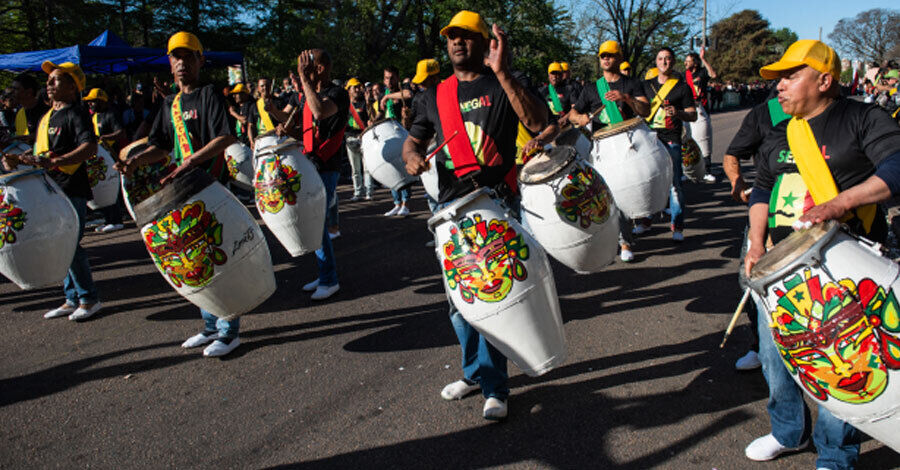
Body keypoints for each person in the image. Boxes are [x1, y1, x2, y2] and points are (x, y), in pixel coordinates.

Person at [742, 39, 900, 469]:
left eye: (791, 76)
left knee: (840, 368)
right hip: (779, 268)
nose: (779, 85)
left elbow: (896, 167)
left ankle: (835, 454)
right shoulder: (780, 132)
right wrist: (756, 243)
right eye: (778, 78)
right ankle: (787, 432)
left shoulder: (863, 117)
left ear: (825, 80)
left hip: (842, 267)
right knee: (776, 360)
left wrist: (839, 203)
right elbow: (761, 189)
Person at [402, 10, 548, 420]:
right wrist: (412, 158)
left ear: (486, 43)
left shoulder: (502, 84)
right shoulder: (435, 94)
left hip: (493, 202)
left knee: (490, 296)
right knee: (457, 302)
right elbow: (413, 142)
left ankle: (496, 387)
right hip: (449, 210)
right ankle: (473, 375)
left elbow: (539, 123)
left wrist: (503, 74)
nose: (457, 43)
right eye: (452, 37)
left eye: (467, 36)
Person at [118, 32, 239, 357]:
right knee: (197, 261)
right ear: (169, 64)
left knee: (218, 259)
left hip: (211, 187)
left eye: (188, 57)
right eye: (176, 57)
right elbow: (158, 146)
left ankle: (229, 332)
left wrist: (189, 161)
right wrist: (134, 162)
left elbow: (225, 137)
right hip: (182, 192)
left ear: (200, 60)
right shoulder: (170, 104)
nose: (182, 63)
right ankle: (211, 325)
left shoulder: (209, 94)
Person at [10, 62, 102, 321]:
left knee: (71, 245)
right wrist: (24, 158)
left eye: (57, 79)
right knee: (61, 244)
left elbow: (90, 148)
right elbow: (46, 151)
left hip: (71, 188)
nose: (49, 84)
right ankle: (71, 298)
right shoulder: (48, 116)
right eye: (48, 80)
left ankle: (89, 298)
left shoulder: (77, 113)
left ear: (73, 86)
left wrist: (54, 162)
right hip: (51, 188)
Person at [721, 88, 786, 372]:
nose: (783, 86)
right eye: (781, 81)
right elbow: (732, 154)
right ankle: (760, 346)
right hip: (770, 213)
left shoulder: (845, 115)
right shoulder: (765, 113)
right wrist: (737, 182)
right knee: (754, 283)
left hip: (827, 219)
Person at [567, 40, 650, 262]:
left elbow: (646, 110)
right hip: (603, 148)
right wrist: (580, 118)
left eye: (610, 55)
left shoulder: (631, 84)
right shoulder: (592, 88)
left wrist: (627, 99)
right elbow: (573, 114)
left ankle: (633, 226)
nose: (606, 59)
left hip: (630, 146)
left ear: (619, 58)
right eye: (603, 55)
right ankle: (623, 241)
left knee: (626, 193)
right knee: (609, 194)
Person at [279, 48, 348, 301]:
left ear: (320, 68)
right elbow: (303, 130)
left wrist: (304, 81)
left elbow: (319, 112)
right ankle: (323, 274)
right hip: (311, 163)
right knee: (313, 222)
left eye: (308, 65)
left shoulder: (337, 93)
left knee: (317, 223)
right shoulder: (309, 94)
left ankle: (330, 280)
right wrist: (280, 123)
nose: (303, 70)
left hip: (327, 166)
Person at [639, 47, 697, 242]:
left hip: (672, 137)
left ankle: (677, 224)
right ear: (656, 62)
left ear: (673, 62)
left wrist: (678, 113)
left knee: (674, 183)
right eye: (660, 59)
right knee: (648, 181)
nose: (664, 62)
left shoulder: (682, 87)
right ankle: (646, 220)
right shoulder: (645, 86)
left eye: (668, 59)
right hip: (649, 139)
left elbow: (693, 114)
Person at [83, 88, 127, 233]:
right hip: (100, 158)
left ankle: (116, 219)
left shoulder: (110, 114)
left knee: (111, 187)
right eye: (89, 102)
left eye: (92, 101)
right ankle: (108, 219)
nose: (90, 104)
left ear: (101, 101)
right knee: (102, 187)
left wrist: (104, 138)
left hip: (112, 156)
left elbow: (121, 133)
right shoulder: (95, 116)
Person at [410, 58, 441, 215]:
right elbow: (413, 127)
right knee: (432, 194)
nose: (420, 85)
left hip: (442, 150)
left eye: (424, 81)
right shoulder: (420, 99)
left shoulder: (449, 93)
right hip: (427, 149)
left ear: (435, 77)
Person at [381, 65, 412, 217]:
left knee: (403, 168)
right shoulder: (383, 92)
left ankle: (405, 203)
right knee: (391, 169)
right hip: (389, 134)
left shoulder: (402, 87)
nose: (389, 81)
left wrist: (388, 97)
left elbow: (407, 94)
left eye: (392, 77)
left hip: (403, 132)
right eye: (386, 78)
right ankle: (396, 203)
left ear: (397, 78)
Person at [683, 50, 718, 183]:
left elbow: (713, 74)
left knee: (704, 140)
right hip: (687, 109)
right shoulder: (683, 75)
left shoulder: (701, 73)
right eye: (685, 60)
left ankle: (707, 171)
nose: (685, 62)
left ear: (695, 63)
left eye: (688, 60)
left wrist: (703, 58)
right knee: (687, 140)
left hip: (701, 110)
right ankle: (689, 172)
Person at [344, 78, 373, 201]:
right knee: (355, 169)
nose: (357, 90)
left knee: (367, 168)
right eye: (354, 87)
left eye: (358, 87)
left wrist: (368, 103)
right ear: (349, 90)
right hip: (350, 138)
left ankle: (369, 191)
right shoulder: (344, 105)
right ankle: (357, 192)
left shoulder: (364, 103)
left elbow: (371, 118)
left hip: (364, 137)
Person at [9, 73, 50, 146]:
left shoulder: (47, 112)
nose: (12, 92)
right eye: (12, 88)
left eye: (16, 89)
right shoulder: (20, 112)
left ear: (29, 92)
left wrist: (33, 136)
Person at [247, 77, 283, 149]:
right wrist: (251, 141)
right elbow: (250, 126)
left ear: (270, 86)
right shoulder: (254, 106)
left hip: (277, 140)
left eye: (267, 85)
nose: (265, 88)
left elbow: (284, 119)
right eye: (262, 86)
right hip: (261, 142)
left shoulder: (279, 102)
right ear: (258, 88)